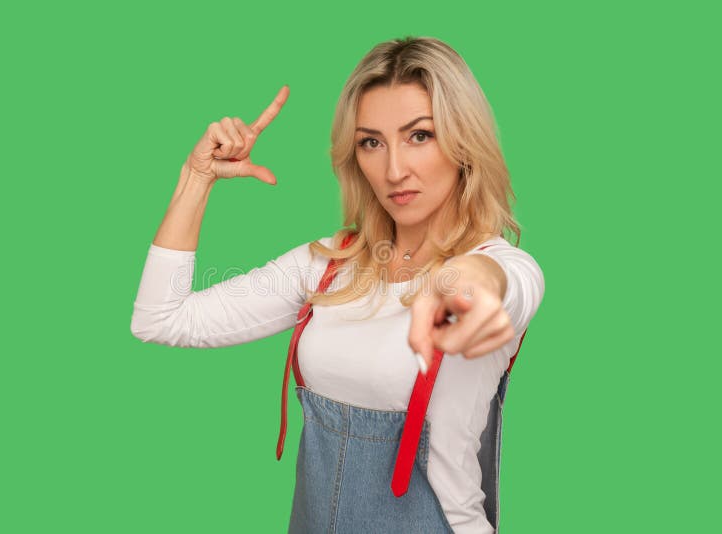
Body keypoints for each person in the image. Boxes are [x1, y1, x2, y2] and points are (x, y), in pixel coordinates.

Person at [131, 36, 545, 534]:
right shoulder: (328, 265)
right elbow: (160, 318)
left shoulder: (502, 264)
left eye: (420, 135)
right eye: (372, 142)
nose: (394, 170)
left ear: (463, 142)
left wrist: (464, 286)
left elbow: (503, 286)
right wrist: (196, 178)